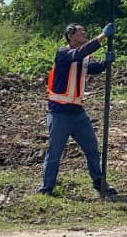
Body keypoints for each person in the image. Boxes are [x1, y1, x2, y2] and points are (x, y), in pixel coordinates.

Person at [38, 22, 118, 197]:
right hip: (59, 113)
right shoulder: (63, 53)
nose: (84, 34)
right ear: (71, 36)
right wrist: (102, 37)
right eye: (81, 32)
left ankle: (99, 183)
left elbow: (92, 67)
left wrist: (106, 62)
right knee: (54, 153)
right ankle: (46, 188)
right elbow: (79, 53)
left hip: (77, 113)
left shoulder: (84, 58)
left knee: (92, 149)